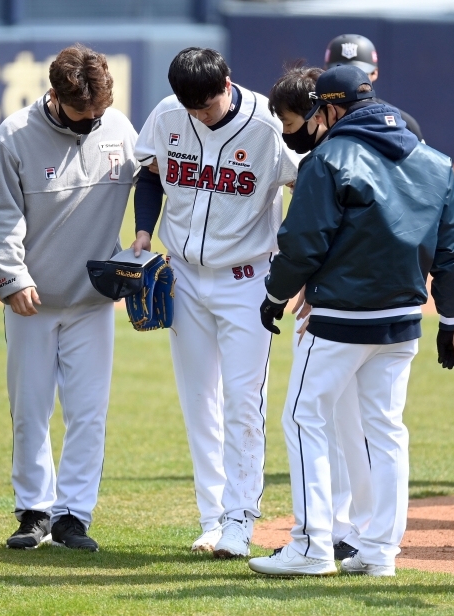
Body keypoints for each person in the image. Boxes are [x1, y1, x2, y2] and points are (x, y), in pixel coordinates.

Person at [247, 65, 454, 577]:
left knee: (304, 419)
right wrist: (448, 321)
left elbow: (303, 243)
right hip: (404, 321)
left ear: (330, 109)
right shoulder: (436, 160)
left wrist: (275, 295)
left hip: (340, 319)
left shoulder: (328, 157)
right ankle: (379, 553)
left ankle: (311, 546)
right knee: (387, 432)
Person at [132, 48, 298, 558]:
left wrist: (298, 267)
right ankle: (212, 518)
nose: (200, 115)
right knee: (198, 400)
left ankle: (240, 519)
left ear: (228, 81)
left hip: (246, 279)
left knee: (245, 402)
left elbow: (310, 190)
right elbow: (151, 174)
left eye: (207, 104)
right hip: (183, 275)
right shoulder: (167, 113)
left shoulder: (268, 126)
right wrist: (142, 233)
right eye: (191, 107)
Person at [0, 44, 139, 551]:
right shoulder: (14, 137)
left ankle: (74, 515)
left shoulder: (119, 129)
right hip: (33, 300)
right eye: (81, 114)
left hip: (93, 301)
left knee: (88, 412)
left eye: (99, 113)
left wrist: (142, 243)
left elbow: (156, 181)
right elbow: (0, 217)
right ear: (55, 95)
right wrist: (11, 277)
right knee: (29, 408)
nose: (92, 122)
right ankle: (34, 511)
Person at [267, 64, 372, 561]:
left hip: (337, 307)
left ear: (318, 111)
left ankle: (321, 538)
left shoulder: (328, 159)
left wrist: (291, 289)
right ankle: (363, 537)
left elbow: (308, 241)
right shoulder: (392, 140)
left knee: (318, 419)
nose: (291, 137)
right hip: (377, 303)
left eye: (293, 124)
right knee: (364, 426)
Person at [324, 34, 424, 141]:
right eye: (342, 74)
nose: (350, 81)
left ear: (374, 73)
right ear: (325, 71)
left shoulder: (403, 122)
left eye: (360, 74)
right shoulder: (315, 119)